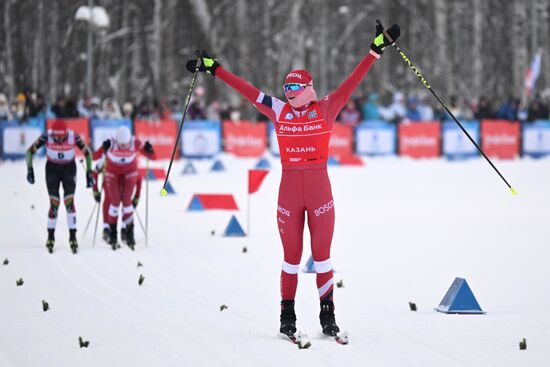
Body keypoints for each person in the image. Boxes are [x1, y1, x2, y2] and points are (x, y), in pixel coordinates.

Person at [186, 21, 400, 338]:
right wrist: (214, 68)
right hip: (289, 195)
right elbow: (246, 90)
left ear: (307, 89)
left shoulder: (327, 107)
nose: (288, 93)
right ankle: (288, 315)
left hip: (319, 194)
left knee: (323, 258)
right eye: (285, 88)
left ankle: (328, 315)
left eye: (293, 89)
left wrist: (375, 50)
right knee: (291, 259)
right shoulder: (278, 110)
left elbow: (352, 82)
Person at [26, 120, 94, 253]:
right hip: (52, 169)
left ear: (65, 133)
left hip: (69, 169)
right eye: (55, 137)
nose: (58, 139)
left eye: (61, 137)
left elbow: (88, 153)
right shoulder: (47, 136)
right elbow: (30, 151)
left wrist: (89, 172)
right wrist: (30, 169)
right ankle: (50, 236)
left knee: (69, 202)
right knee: (54, 203)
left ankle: (73, 237)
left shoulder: (73, 136)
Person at [93, 125, 155, 250]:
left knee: (127, 203)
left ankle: (128, 232)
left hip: (129, 173)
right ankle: (112, 233)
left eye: (125, 144)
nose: (123, 147)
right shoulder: (111, 142)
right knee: (113, 202)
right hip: (113, 173)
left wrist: (150, 150)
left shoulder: (135, 142)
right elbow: (95, 158)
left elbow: (153, 157)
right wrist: (102, 148)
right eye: (120, 144)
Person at [92, 157, 143, 245]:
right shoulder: (106, 157)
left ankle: (124, 228)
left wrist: (137, 196)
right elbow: (94, 173)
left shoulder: (128, 157)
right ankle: (106, 228)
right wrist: (95, 190)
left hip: (124, 183)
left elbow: (138, 177)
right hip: (110, 183)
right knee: (109, 200)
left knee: (126, 202)